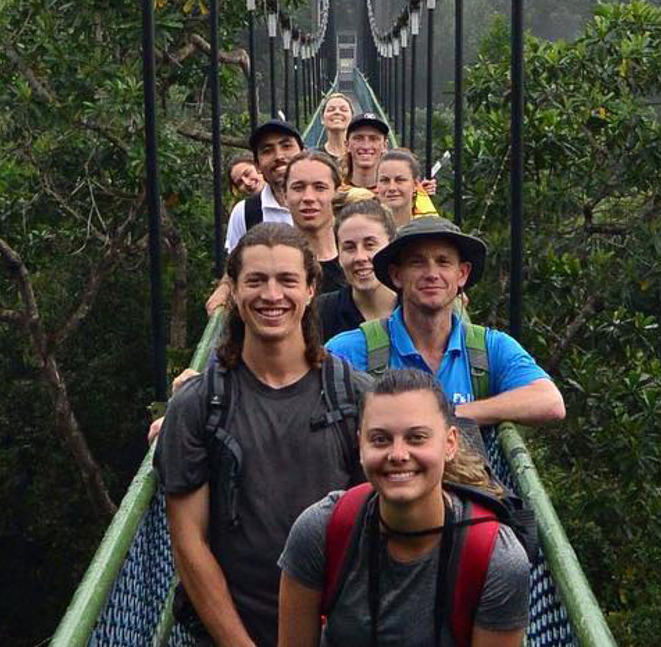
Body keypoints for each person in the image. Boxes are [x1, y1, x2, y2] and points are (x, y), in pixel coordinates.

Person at [158, 223, 372, 647]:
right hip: (231, 632)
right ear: (234, 292)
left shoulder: (356, 396)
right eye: (255, 281)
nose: (271, 295)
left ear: (311, 288)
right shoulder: (200, 405)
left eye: (287, 280)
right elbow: (188, 540)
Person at [277, 369, 531, 646]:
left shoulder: (495, 559)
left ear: (450, 444)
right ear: (359, 445)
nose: (398, 455)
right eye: (380, 439)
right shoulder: (323, 529)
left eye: (417, 438)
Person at [324, 217, 566, 426]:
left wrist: (450, 415)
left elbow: (550, 401)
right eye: (417, 262)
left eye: (443, 262)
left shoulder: (488, 348)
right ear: (397, 275)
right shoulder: (351, 349)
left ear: (462, 274)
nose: (431, 274)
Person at [207, 120, 303, 313]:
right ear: (258, 164)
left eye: (286, 146)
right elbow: (235, 267)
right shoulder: (245, 212)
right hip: (274, 311)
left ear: (303, 152)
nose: (279, 156)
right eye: (267, 150)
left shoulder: (327, 200)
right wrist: (224, 288)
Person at [315, 200, 398, 340]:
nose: (360, 257)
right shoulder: (321, 313)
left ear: (391, 247)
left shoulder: (416, 309)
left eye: (370, 245)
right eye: (349, 247)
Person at [284, 151, 349, 295]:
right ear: (285, 196)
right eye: (298, 188)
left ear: (336, 193)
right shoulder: (277, 263)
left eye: (319, 187)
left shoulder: (357, 257)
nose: (308, 197)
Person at [375, 149, 441, 230]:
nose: (391, 188)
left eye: (400, 180)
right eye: (385, 180)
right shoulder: (362, 228)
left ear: (416, 185)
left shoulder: (430, 231)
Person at [317, 92, 357, 159]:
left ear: (352, 118)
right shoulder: (314, 157)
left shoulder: (360, 155)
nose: (337, 112)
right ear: (322, 119)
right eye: (330, 110)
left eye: (343, 110)